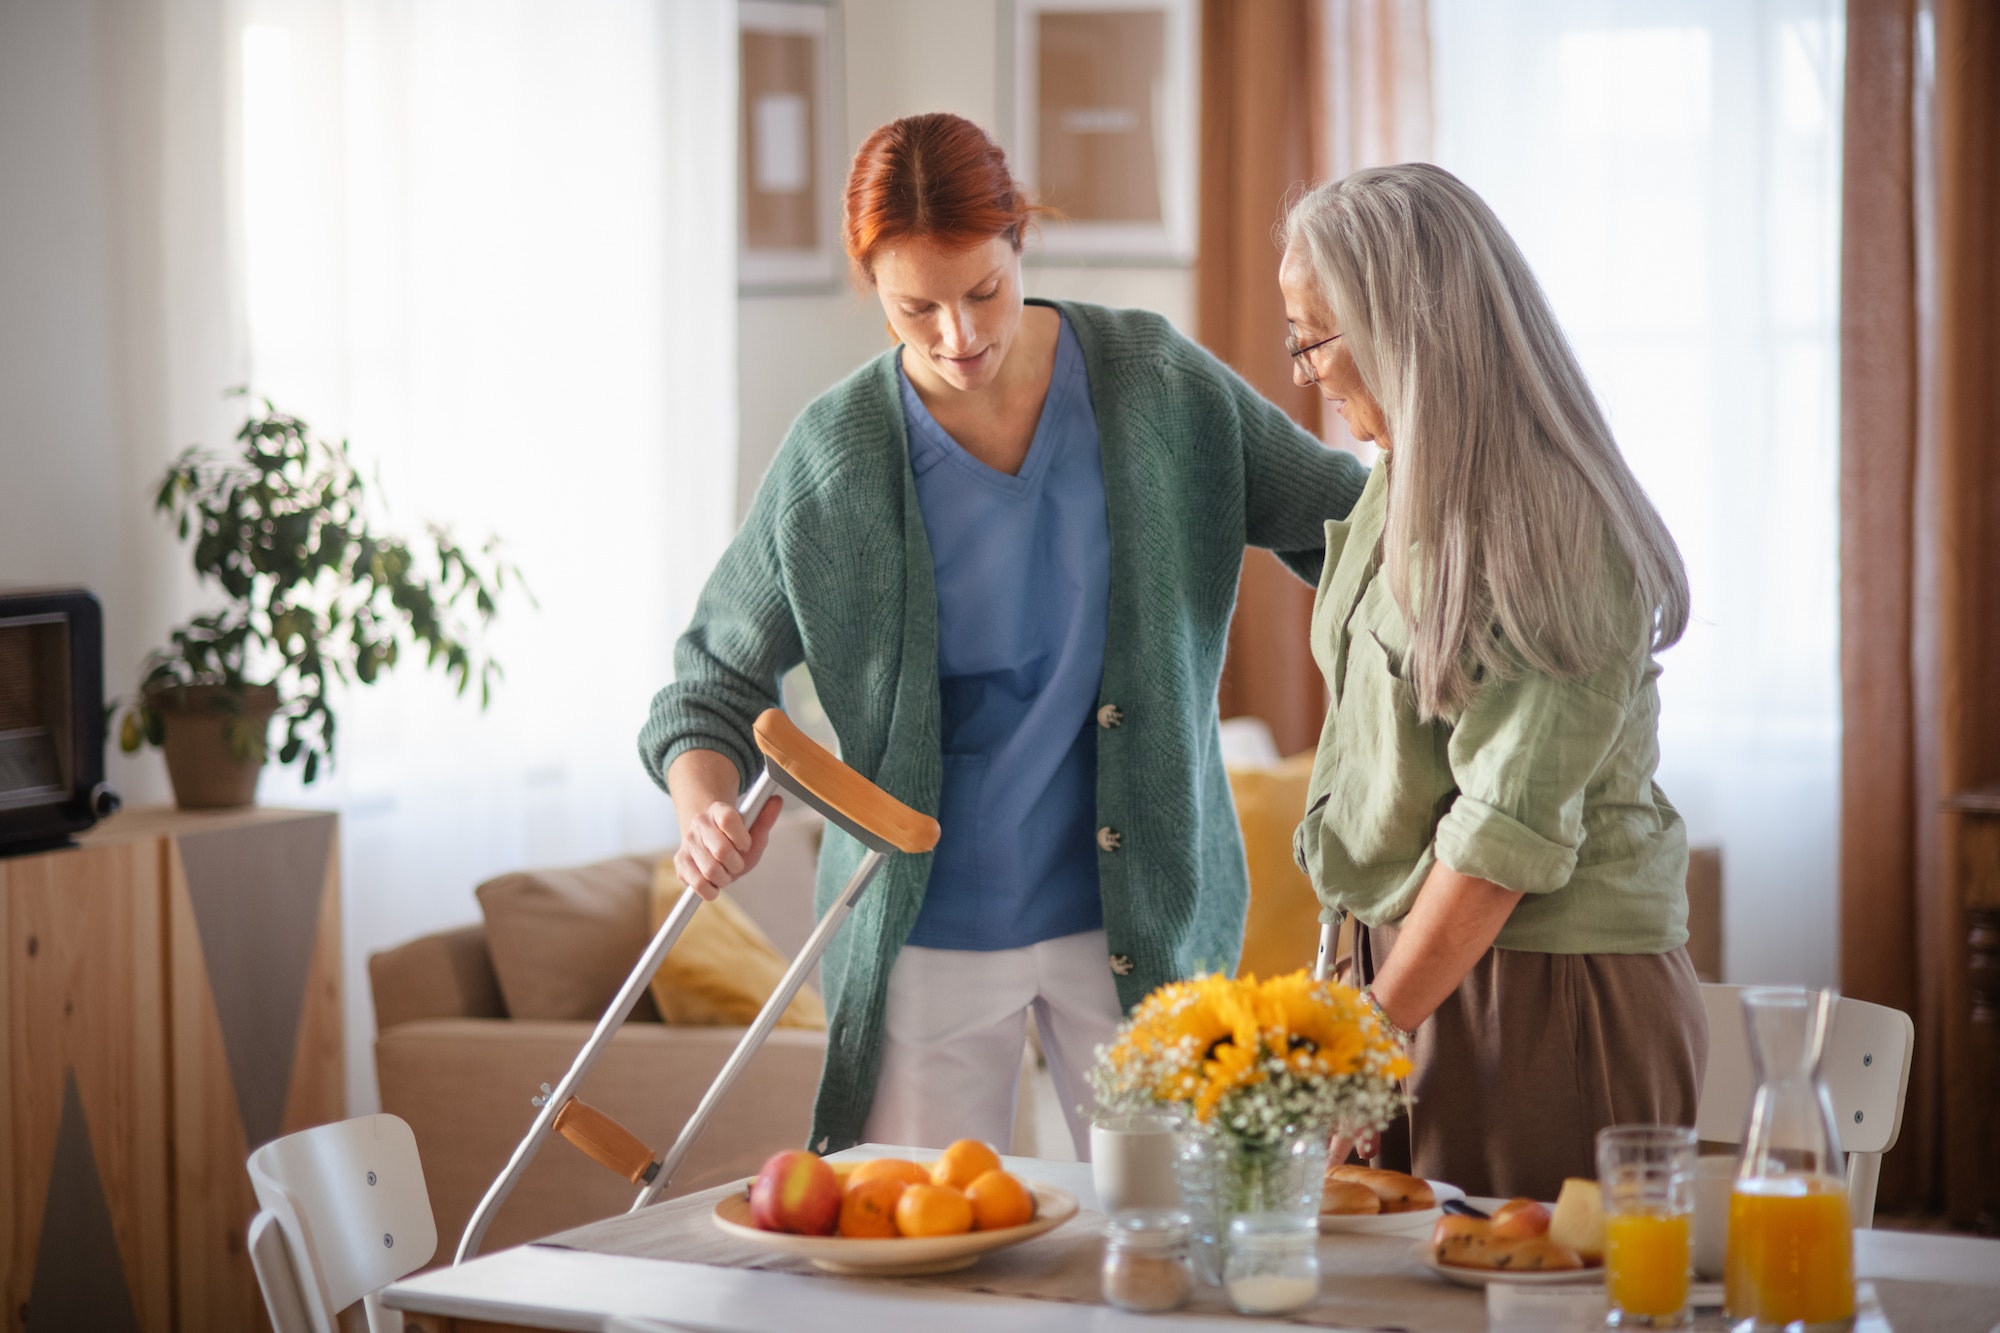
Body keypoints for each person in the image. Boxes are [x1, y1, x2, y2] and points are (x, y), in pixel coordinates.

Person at [639, 113, 1370, 1158]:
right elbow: (705, 684)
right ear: (872, 292)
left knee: (1167, 1261)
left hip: (1139, 920)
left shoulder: (1153, 383)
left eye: (981, 291)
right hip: (923, 935)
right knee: (927, 1267)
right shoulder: (834, 458)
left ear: (1018, 240)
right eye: (914, 309)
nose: (956, 336)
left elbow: (1346, 522)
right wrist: (704, 808)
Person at [1280, 164, 1708, 1201]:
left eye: (1312, 336)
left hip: (1542, 992)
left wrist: (1373, 1027)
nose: (1301, 372)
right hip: (1413, 975)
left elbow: (1499, 836)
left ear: (1400, 331)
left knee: (1530, 1304)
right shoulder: (1397, 478)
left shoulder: (1553, 529)